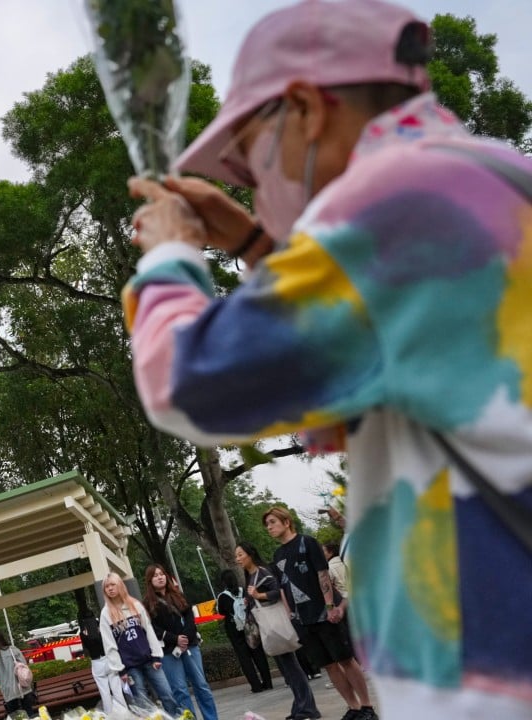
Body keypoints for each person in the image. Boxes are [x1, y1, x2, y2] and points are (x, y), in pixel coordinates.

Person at [123, 0, 532, 716]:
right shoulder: (487, 179)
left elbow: (191, 383)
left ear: (308, 110)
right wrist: (257, 247)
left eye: (247, 156)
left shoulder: (392, 197)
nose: (249, 183)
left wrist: (169, 257)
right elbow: (373, 355)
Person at [264, 508, 374, 720]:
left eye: (272, 522)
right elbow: (283, 587)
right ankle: (353, 707)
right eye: (267, 524)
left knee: (345, 659)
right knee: (329, 666)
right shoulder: (277, 556)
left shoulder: (307, 542)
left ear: (286, 522)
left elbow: (322, 574)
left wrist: (330, 606)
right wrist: (291, 615)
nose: (269, 527)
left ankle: (367, 706)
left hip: (324, 613)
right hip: (303, 620)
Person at [238, 541, 318, 720]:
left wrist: (258, 595)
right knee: (288, 669)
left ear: (250, 554)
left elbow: (277, 592)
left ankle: (307, 708)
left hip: (275, 624)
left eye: (240, 554)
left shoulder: (262, 572)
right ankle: (300, 706)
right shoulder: (251, 576)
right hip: (270, 626)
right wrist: (250, 600)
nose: (238, 559)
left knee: (292, 667)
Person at [144, 565, 219, 720]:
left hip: (190, 646)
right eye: (155, 575)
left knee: (201, 685)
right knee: (180, 690)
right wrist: (175, 639)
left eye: (162, 574)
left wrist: (185, 638)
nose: (160, 577)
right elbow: (151, 629)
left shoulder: (178, 595)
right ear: (150, 580)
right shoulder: (147, 603)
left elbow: (190, 619)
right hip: (168, 652)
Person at [98, 573, 179, 716]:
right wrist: (120, 670)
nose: (110, 589)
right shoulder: (105, 614)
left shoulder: (134, 605)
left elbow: (149, 631)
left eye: (113, 585)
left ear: (120, 585)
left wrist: (156, 656)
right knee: (142, 704)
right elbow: (109, 645)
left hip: (150, 661)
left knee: (167, 695)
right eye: (106, 587)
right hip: (130, 667)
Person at [216, 569, 273, 694]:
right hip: (250, 625)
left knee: (244, 658)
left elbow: (221, 612)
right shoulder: (244, 591)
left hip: (234, 629)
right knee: (258, 653)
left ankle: (256, 686)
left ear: (223, 582)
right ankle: (268, 682)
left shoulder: (223, 596)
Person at [78, 610, 128, 714]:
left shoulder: (83, 633)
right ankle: (125, 713)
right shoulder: (101, 626)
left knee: (104, 692)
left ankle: (109, 714)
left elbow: (87, 647)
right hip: (108, 659)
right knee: (117, 690)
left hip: (96, 662)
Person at [0, 630, 35, 717]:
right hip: (22, 687)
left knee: (16, 716)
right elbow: (24, 665)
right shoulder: (14, 650)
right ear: (3, 638)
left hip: (8, 692)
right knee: (29, 713)